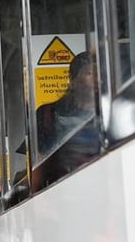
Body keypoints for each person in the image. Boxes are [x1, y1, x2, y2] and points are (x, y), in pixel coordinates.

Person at [34, 51, 102, 189]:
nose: (96, 78)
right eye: (89, 73)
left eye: (99, 73)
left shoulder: (107, 112)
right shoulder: (48, 114)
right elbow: (39, 162)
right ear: (72, 80)